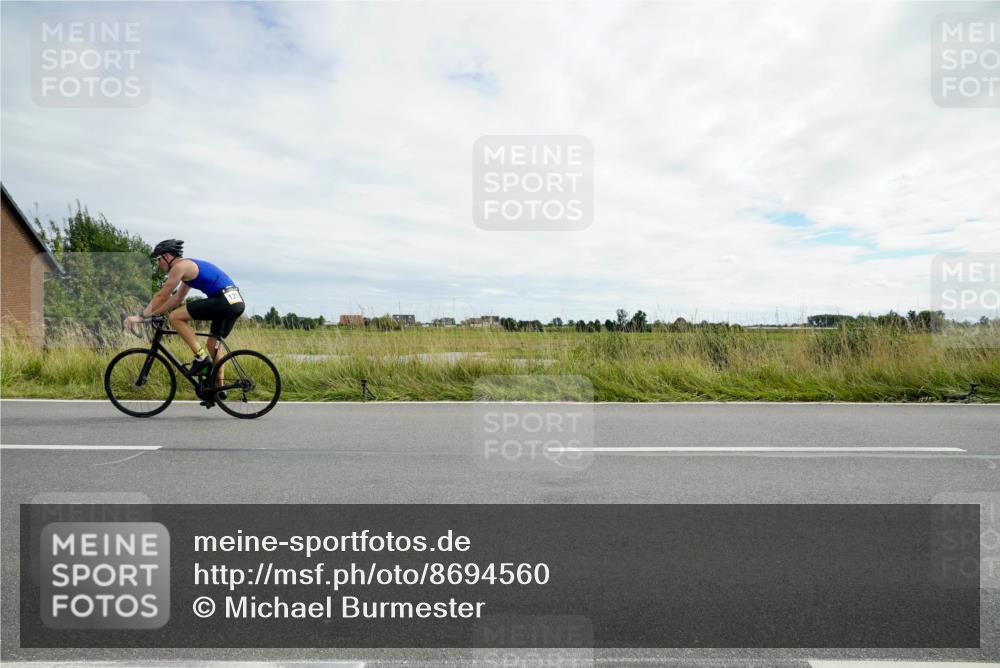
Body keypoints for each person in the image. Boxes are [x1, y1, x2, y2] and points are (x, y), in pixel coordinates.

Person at [124, 239, 244, 380]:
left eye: (158, 259)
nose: (158, 264)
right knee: (213, 345)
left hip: (222, 300)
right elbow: (177, 298)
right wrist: (154, 313)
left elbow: (162, 295)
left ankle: (201, 357)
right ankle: (218, 390)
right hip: (236, 302)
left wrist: (141, 317)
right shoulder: (188, 267)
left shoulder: (179, 267)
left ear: (167, 257)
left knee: (175, 317)